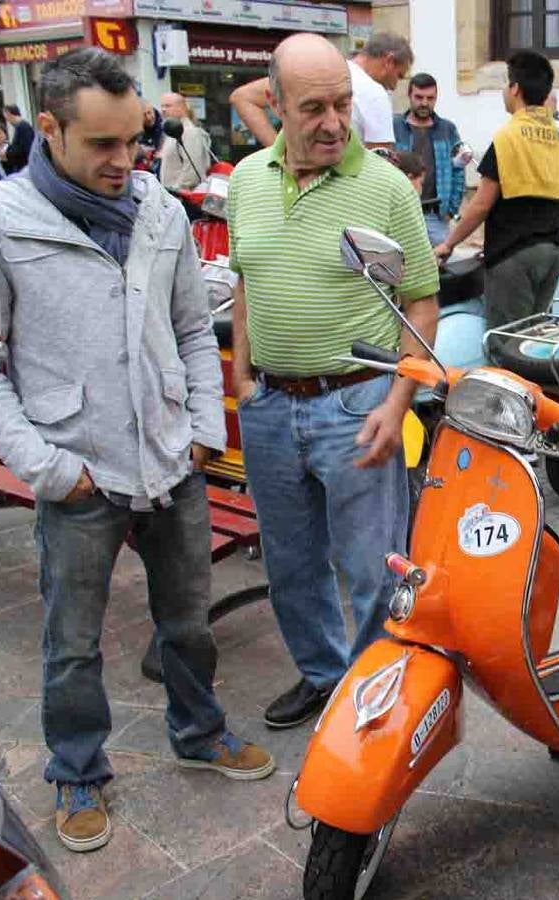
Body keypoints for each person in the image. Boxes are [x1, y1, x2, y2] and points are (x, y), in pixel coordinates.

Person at [0, 47, 275, 855]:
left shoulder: (159, 209)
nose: (124, 161)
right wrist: (48, 467)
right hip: (77, 471)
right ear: (51, 129)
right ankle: (77, 769)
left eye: (134, 141)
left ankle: (199, 730)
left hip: (171, 456)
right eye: (102, 144)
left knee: (189, 623)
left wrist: (204, 427)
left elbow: (196, 329)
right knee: (72, 641)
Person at [225, 33, 439, 729]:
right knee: (290, 564)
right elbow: (246, 280)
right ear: (275, 104)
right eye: (313, 107)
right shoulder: (247, 180)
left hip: (357, 404)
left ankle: (373, 696)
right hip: (269, 407)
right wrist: (242, 373)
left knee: (374, 568)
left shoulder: (383, 187)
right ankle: (323, 676)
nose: (334, 122)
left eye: (343, 104)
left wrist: (398, 398)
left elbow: (422, 301)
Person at [434, 51, 559, 329]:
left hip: (515, 254)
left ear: (515, 89)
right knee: (533, 339)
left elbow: (482, 205)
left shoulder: (508, 136)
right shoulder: (556, 137)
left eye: (506, 84)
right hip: (553, 250)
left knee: (507, 342)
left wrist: (449, 244)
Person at [230, 31, 411, 151]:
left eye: (342, 106)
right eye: (399, 75)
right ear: (388, 61)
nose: (395, 85)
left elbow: (243, 97)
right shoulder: (375, 94)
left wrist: (281, 153)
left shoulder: (315, 73)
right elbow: (381, 164)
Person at [393, 73, 467, 246]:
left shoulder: (447, 129)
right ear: (409, 96)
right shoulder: (395, 126)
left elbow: (458, 170)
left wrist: (451, 210)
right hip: (401, 214)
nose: (424, 103)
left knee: (438, 268)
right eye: (419, 97)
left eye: (430, 98)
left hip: (436, 215)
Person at [157, 92, 212, 190]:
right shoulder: (171, 131)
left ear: (181, 108)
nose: (163, 110)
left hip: (183, 197)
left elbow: (192, 169)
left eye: (168, 106)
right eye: (162, 106)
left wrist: (177, 190)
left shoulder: (190, 132)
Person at [2, 104, 34, 174]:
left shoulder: (23, 127)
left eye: (6, 117)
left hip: (25, 168)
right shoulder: (20, 127)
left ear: (9, 114)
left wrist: (7, 154)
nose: (8, 121)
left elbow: (25, 149)